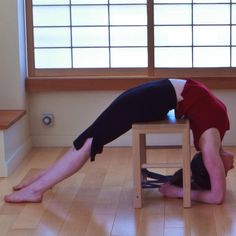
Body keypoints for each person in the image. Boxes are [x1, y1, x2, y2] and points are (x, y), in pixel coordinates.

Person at [4, 78, 234, 204]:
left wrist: (178, 192)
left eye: (221, 174)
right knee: (89, 136)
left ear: (209, 166)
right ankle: (43, 179)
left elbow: (217, 196)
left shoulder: (210, 148)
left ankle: (37, 189)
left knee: (90, 142)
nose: (230, 169)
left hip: (155, 98)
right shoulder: (217, 135)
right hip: (157, 94)